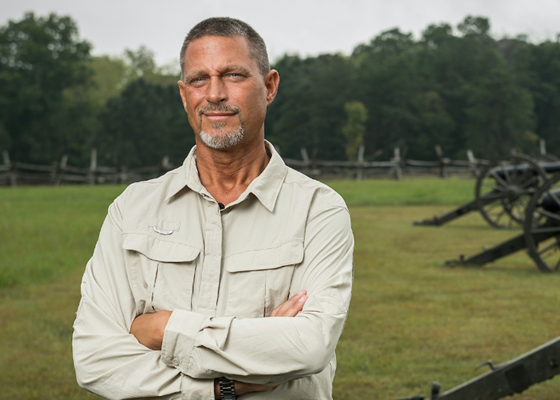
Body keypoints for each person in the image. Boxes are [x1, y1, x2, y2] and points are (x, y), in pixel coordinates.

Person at [73, 17, 353, 400]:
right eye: (199, 79)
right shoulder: (131, 210)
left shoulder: (318, 210)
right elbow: (95, 359)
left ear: (269, 86)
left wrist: (163, 328)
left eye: (233, 75)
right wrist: (225, 386)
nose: (215, 94)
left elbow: (310, 345)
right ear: (184, 93)